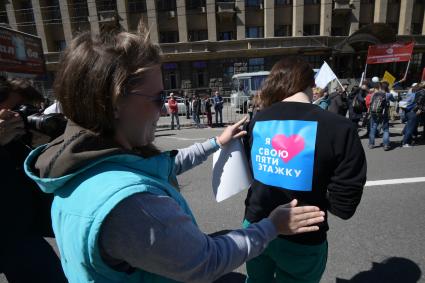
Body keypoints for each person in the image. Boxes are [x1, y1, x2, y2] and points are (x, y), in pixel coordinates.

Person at [23, 26, 325, 283]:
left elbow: (158, 166)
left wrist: (214, 143)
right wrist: (272, 226)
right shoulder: (132, 206)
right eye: (157, 98)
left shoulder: (78, 161)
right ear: (116, 103)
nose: (163, 107)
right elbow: (205, 261)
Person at [242, 57, 367, 283]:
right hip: (303, 234)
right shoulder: (339, 127)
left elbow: (254, 173)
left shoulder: (257, 121)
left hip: (256, 225)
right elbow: (344, 206)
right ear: (311, 85)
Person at [0, 77, 67, 283]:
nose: (19, 116)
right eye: (14, 109)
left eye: (24, 109)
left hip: (19, 234)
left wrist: (42, 148)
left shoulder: (15, 138)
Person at [368, 81, 396, 150]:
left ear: (380, 87)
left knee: (373, 128)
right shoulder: (388, 95)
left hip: (374, 113)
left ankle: (371, 144)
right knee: (385, 130)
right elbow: (394, 100)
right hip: (384, 114)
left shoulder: (374, 94)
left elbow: (370, 103)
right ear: (387, 87)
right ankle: (386, 145)